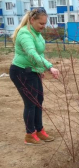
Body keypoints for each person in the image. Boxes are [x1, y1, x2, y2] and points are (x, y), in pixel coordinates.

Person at [9, 8, 60, 145]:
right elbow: (32, 53)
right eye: (41, 24)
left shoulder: (37, 34)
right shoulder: (25, 33)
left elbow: (39, 54)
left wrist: (39, 69)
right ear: (32, 20)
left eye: (45, 24)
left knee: (38, 101)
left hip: (32, 71)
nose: (43, 27)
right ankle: (29, 134)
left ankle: (39, 130)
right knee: (31, 104)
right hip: (21, 72)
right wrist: (49, 67)